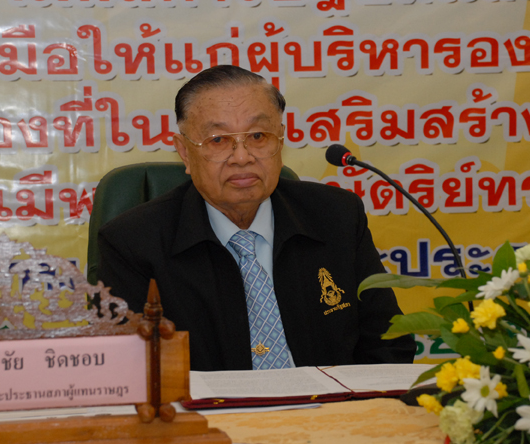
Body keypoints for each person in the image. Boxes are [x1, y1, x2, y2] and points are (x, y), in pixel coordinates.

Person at [97, 65, 416, 371]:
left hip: (336, 406)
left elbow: (389, 342)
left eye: (259, 136)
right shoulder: (132, 243)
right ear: (184, 151)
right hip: (208, 408)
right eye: (218, 140)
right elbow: (130, 370)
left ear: (281, 139)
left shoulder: (337, 216)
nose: (242, 157)